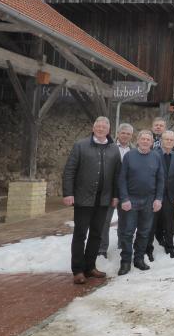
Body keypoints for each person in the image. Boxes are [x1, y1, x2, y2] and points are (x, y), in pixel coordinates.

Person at [62, 116, 121, 284]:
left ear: (109, 130)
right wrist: (68, 193)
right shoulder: (80, 145)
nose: (101, 128)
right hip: (83, 198)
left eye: (104, 126)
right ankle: (78, 270)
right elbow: (69, 170)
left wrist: (116, 195)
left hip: (103, 199)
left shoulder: (113, 149)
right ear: (93, 127)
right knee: (80, 234)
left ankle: (90, 267)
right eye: (98, 126)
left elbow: (117, 175)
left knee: (96, 234)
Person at [117, 129, 164, 275]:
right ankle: (125, 262)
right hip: (131, 199)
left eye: (148, 140)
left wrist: (158, 198)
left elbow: (160, 180)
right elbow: (122, 179)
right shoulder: (129, 156)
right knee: (128, 232)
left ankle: (138, 259)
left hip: (149, 200)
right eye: (143, 139)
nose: (145, 142)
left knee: (144, 232)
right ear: (137, 141)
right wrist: (124, 198)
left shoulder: (156, 157)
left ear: (152, 143)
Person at [99, 123, 134, 259]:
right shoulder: (109, 148)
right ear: (118, 134)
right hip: (109, 191)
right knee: (105, 221)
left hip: (127, 192)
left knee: (125, 221)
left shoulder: (134, 151)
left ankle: (122, 244)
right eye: (123, 133)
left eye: (128, 134)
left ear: (131, 136)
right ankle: (102, 249)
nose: (125, 135)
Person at [147, 130, 174, 259]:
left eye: (172, 140)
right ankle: (148, 250)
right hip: (155, 196)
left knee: (169, 224)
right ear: (161, 140)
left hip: (170, 196)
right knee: (152, 224)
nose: (169, 142)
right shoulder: (153, 154)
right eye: (166, 139)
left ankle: (170, 248)